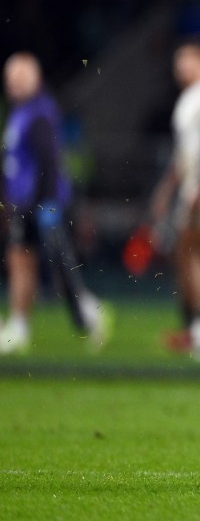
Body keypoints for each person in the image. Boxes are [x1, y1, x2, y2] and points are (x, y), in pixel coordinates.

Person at [0, 52, 108, 354]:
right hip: (26, 201)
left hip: (41, 202)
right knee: (23, 260)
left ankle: (85, 313)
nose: (15, 83)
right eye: (12, 78)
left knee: (56, 265)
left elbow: (48, 159)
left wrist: (45, 202)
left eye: (21, 77)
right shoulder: (20, 111)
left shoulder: (39, 112)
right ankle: (23, 325)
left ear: (35, 78)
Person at [148, 41, 200, 360]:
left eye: (188, 61)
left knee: (194, 251)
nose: (181, 69)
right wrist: (166, 191)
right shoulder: (196, 98)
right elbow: (184, 155)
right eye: (177, 63)